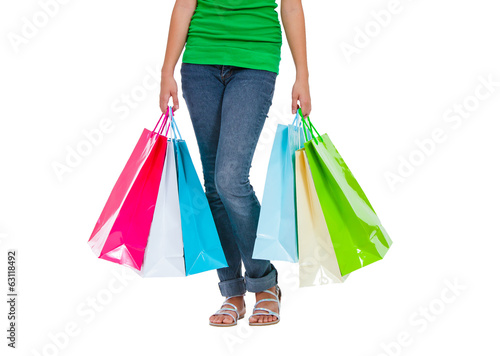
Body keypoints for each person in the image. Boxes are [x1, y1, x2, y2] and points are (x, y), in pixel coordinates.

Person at [159, 0, 311, 326]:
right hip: (200, 62)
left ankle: (265, 283)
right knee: (214, 185)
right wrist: (166, 71)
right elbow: (185, 4)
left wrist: (302, 76)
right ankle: (232, 292)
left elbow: (293, 7)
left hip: (255, 60)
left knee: (230, 178)